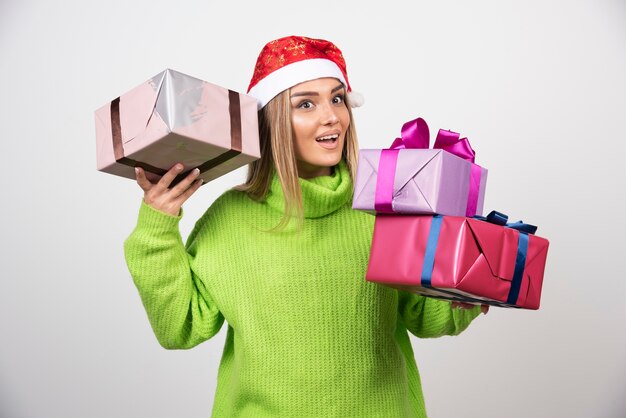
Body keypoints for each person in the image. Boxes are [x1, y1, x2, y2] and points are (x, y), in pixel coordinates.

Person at [124, 35, 487, 417]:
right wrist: (157, 226)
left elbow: (428, 319)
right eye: (306, 104)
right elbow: (180, 327)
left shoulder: (386, 206)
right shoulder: (229, 220)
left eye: (337, 98)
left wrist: (471, 282)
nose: (331, 116)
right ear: (273, 120)